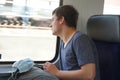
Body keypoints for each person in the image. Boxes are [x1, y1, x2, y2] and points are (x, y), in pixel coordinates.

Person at [43, 5, 100, 80]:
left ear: (61, 20)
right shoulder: (63, 42)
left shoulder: (80, 39)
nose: (50, 25)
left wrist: (57, 73)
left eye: (53, 20)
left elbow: (89, 74)